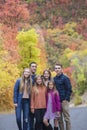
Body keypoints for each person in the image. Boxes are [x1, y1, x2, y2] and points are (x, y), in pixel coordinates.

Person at [54, 63, 72, 130]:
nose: (57, 69)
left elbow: (69, 89)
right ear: (54, 70)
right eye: (56, 68)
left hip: (64, 101)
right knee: (59, 119)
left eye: (59, 68)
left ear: (61, 69)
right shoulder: (54, 79)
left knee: (66, 118)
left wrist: (66, 99)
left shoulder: (65, 78)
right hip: (57, 102)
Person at [29, 62, 37, 130]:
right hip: (28, 101)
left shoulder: (37, 77)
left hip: (36, 101)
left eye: (35, 66)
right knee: (30, 119)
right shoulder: (26, 77)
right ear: (30, 67)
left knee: (37, 119)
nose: (34, 68)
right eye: (32, 66)